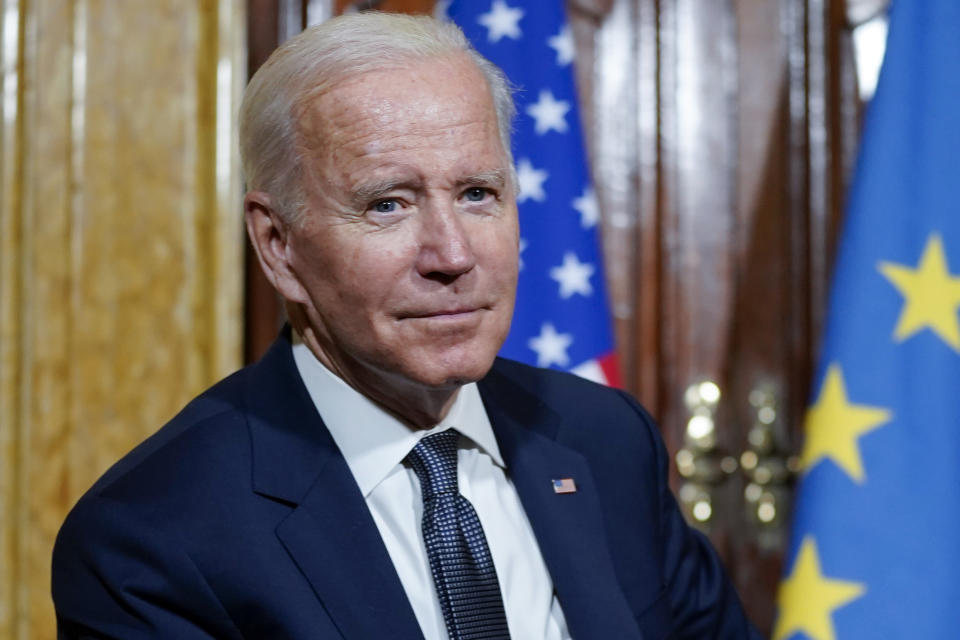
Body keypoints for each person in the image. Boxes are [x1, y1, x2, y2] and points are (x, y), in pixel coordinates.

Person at [52, 12, 761, 640]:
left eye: (478, 194)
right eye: (389, 204)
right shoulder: (152, 537)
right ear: (279, 245)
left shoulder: (602, 440)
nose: (452, 256)